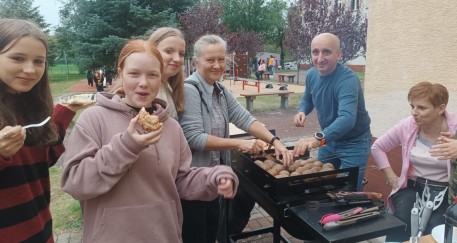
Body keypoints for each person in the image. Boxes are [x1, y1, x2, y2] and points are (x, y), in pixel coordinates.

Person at [60, 39, 238, 242]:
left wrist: (214, 177)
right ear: (120, 73)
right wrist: (127, 146)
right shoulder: (93, 120)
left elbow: (179, 180)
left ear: (161, 77)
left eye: (152, 75)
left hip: (164, 236)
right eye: (134, 74)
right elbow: (75, 183)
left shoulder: (171, 127)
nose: (143, 83)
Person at [179, 34, 293, 243]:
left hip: (214, 178)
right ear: (196, 62)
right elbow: (194, 138)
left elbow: (245, 118)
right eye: (210, 60)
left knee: (212, 232)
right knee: (196, 235)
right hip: (194, 181)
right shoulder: (189, 89)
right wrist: (239, 143)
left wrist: (274, 141)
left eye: (221, 59)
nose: (217, 65)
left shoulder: (220, 90)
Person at [0, 18, 85, 242]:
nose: (30, 69)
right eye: (17, 58)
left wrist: (64, 112)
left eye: (39, 61)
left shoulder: (31, 106)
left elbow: (41, 161)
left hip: (40, 231)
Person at [371, 81, 457, 241]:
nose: (414, 113)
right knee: (401, 223)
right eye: (412, 106)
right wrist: (390, 176)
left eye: (422, 108)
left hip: (446, 193)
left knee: (436, 229)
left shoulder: (455, 127)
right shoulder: (408, 125)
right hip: (412, 188)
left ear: (441, 108)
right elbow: (378, 147)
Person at [292, 33, 371, 191]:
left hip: (354, 142)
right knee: (321, 183)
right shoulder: (312, 74)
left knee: (348, 191)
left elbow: (347, 119)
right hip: (328, 140)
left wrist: (318, 138)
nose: (320, 58)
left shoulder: (347, 80)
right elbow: (308, 98)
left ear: (338, 54)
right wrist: (302, 111)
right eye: (315, 52)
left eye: (326, 52)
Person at [148, 27, 186, 120]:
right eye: (169, 51)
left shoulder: (170, 88)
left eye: (181, 54)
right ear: (152, 51)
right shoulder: (143, 92)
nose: (177, 59)